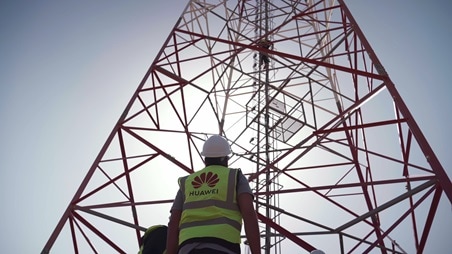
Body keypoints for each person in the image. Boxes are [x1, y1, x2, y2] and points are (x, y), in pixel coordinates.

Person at [166, 135, 261, 254]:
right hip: (223, 246)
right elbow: (249, 214)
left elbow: (173, 223)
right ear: (225, 158)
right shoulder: (235, 176)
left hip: (188, 248)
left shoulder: (187, 182)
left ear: (205, 159)